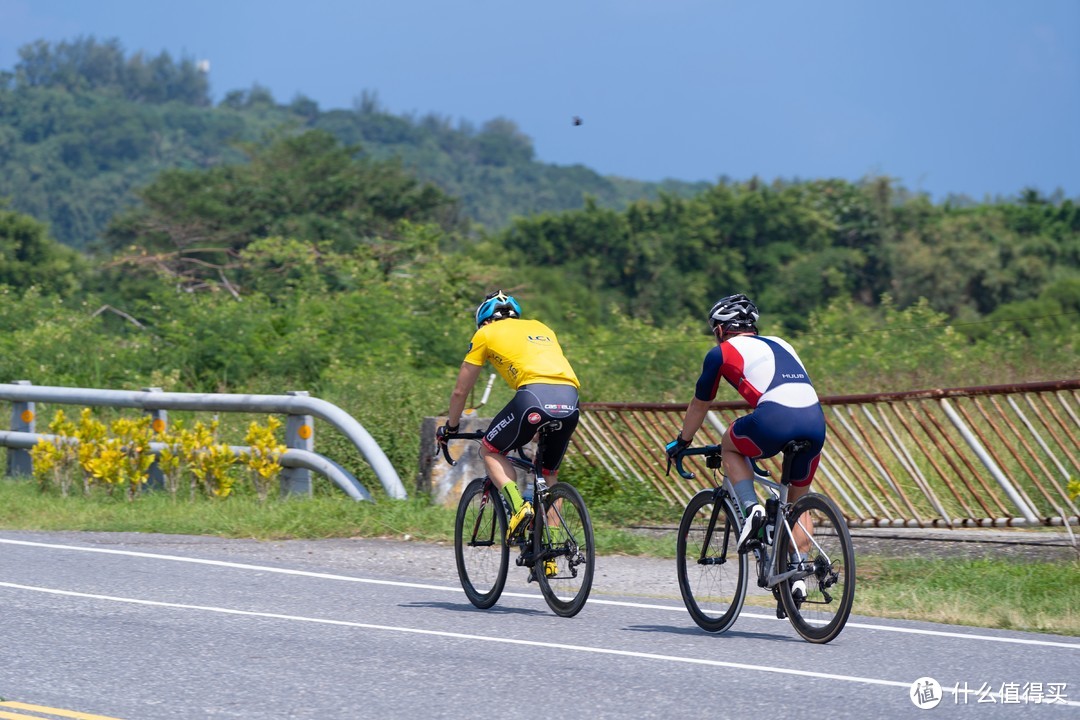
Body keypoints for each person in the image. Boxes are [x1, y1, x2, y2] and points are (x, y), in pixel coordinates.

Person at [664, 294, 826, 594]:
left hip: (775, 417)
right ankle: (798, 575)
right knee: (796, 502)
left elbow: (701, 403)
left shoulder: (721, 352)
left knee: (729, 444)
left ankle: (752, 510)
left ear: (720, 330)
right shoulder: (783, 343)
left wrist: (682, 442)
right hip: (815, 422)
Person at [436, 290, 581, 546]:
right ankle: (553, 551)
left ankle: (518, 508)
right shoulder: (541, 327)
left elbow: (461, 391)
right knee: (549, 475)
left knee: (491, 449)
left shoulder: (485, 333)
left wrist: (450, 427)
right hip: (571, 400)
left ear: (485, 320)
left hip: (533, 398)